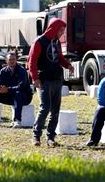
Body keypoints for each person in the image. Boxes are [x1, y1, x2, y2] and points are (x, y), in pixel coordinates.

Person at [28, 17, 74, 147]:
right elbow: (32, 61)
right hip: (43, 80)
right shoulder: (39, 42)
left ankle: (50, 137)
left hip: (57, 79)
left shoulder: (56, 42)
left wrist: (68, 65)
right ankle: (36, 136)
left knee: (55, 110)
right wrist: (35, 78)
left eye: (63, 31)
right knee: (45, 108)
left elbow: (59, 58)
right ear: (53, 28)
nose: (62, 33)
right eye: (60, 30)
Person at [0, 52, 33, 127]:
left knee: (17, 93)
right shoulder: (3, 71)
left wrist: (7, 90)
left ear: (16, 60)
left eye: (13, 59)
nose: (12, 61)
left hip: (24, 97)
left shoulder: (22, 71)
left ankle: (17, 121)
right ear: (6, 61)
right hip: (9, 96)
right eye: (10, 59)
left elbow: (21, 87)